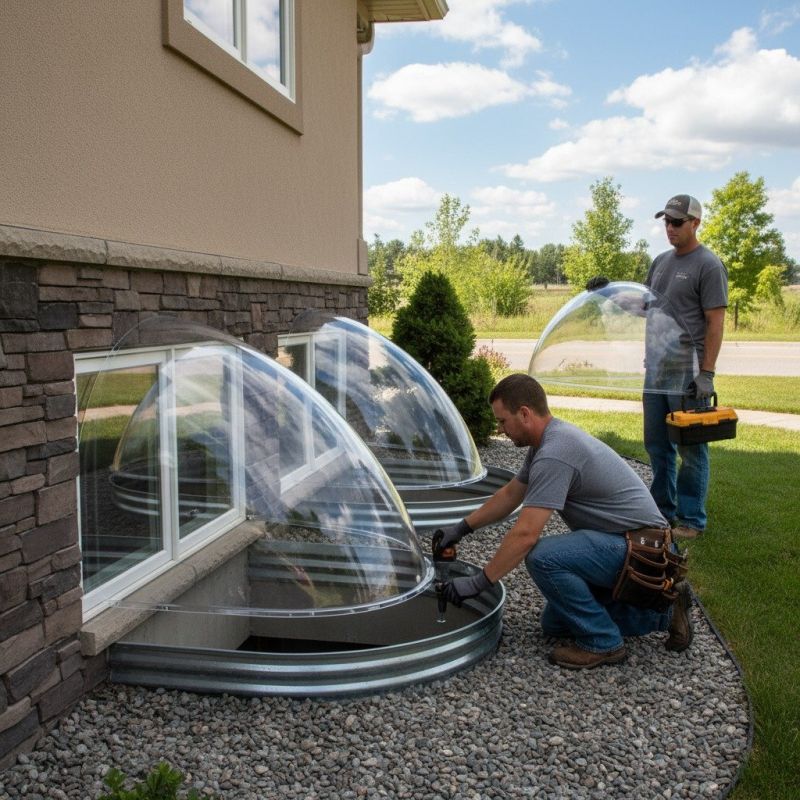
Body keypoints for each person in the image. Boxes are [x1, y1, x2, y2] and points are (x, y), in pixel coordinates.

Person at [436, 373, 693, 670]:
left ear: (524, 414)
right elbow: (511, 494)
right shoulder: (547, 443)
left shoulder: (555, 453)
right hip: (631, 545)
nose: (500, 429)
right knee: (555, 624)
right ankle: (666, 610)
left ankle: (604, 643)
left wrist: (479, 582)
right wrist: (461, 529)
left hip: (644, 550)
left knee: (543, 557)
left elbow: (526, 534)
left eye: (502, 421)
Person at [645, 195, 728, 539]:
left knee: (692, 449)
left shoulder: (708, 265)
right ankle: (662, 512)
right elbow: (646, 306)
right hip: (656, 370)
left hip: (687, 373)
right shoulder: (660, 262)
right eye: (666, 221)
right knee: (657, 444)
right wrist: (607, 292)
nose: (670, 228)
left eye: (677, 222)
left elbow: (715, 322)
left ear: (696, 223)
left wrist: (706, 373)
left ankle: (692, 519)